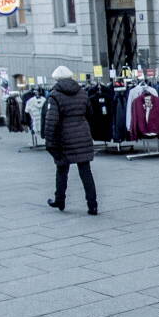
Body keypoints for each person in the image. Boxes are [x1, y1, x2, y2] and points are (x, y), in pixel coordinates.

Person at [42, 66, 98, 215]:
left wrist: (49, 141)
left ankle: (60, 200)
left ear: (56, 79)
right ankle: (92, 205)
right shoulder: (82, 92)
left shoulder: (54, 95)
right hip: (82, 134)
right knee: (85, 171)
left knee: (62, 169)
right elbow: (90, 113)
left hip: (64, 137)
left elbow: (51, 121)